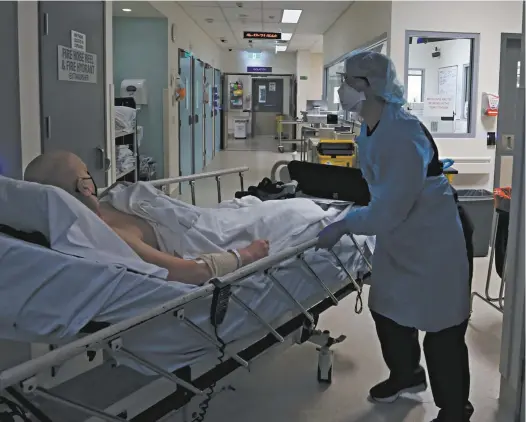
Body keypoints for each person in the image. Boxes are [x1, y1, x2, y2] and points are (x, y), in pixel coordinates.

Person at [316, 52, 474, 422]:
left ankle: (455, 410)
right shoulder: (370, 126)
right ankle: (407, 375)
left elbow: (388, 209)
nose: (342, 89)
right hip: (398, 239)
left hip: (434, 244)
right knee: (386, 310)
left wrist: (343, 224)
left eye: (348, 80)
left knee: (442, 330)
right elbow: (379, 187)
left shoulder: (402, 133)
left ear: (369, 87)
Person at [24, 151, 269, 285]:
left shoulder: (105, 204)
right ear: (83, 187)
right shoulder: (107, 234)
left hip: (208, 217)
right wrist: (247, 254)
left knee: (278, 207)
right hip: (212, 232)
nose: (92, 179)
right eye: (86, 173)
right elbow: (189, 272)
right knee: (296, 212)